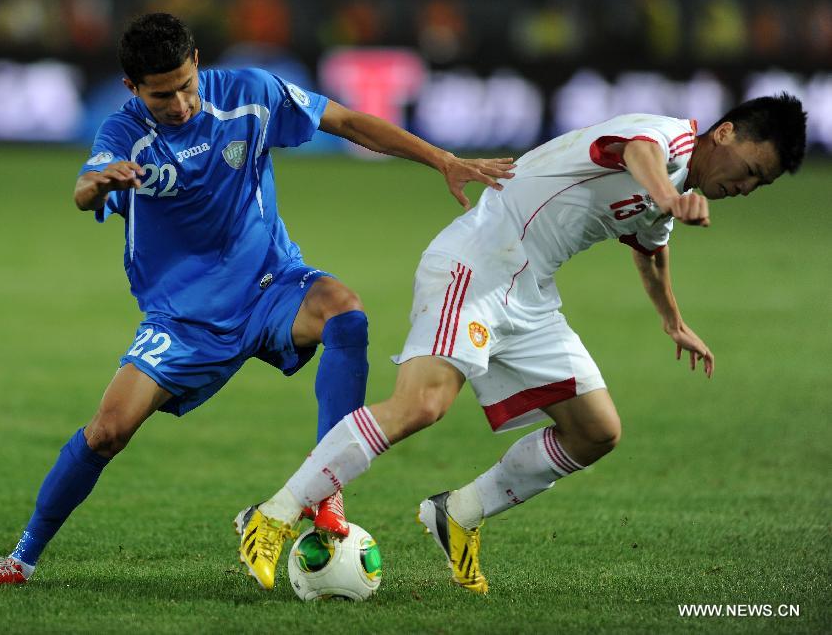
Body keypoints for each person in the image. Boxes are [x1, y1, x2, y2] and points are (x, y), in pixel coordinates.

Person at [0, 13, 515, 588]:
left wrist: (443, 160)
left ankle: (326, 492)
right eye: (160, 95)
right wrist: (99, 184)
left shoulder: (252, 93)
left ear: (197, 61)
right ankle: (20, 559)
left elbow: (346, 120)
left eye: (185, 86)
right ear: (133, 89)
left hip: (271, 285)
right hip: (185, 319)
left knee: (344, 311)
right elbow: (84, 187)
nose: (178, 104)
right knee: (106, 432)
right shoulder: (124, 133)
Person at [236, 94, 807, 593]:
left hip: (529, 294)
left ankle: (459, 512)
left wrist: (673, 320)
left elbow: (650, 247)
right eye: (752, 169)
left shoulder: (675, 187)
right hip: (477, 263)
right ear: (726, 133)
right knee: (422, 404)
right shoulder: (664, 137)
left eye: (762, 184)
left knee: (596, 431)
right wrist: (668, 193)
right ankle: (275, 513)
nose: (747, 187)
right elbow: (636, 155)